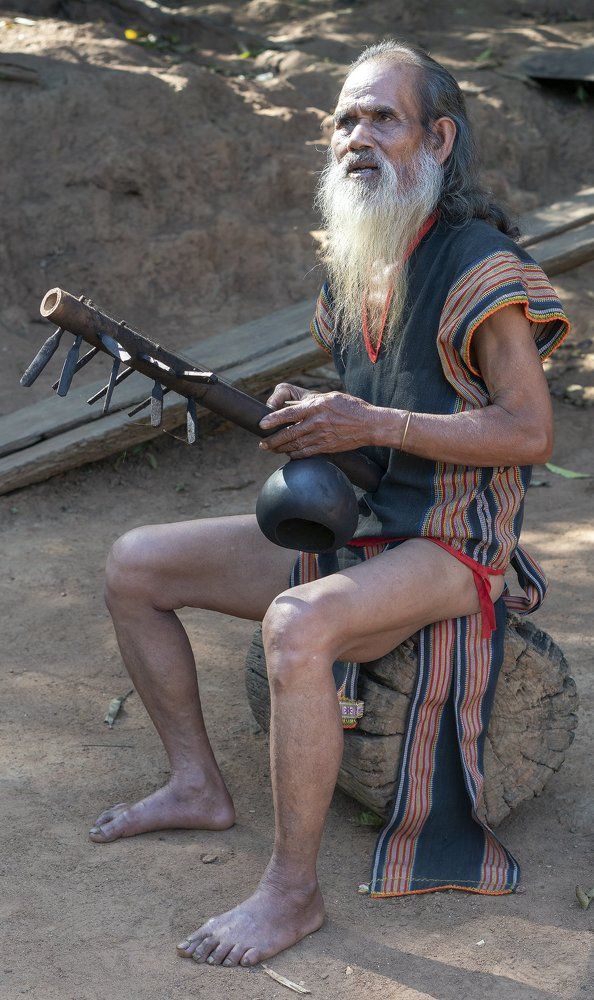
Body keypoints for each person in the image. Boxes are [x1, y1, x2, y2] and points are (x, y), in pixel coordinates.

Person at [88, 39, 569, 968]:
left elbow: (527, 432)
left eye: (381, 117)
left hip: (451, 540)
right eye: (344, 118)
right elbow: (362, 415)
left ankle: (292, 892)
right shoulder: (356, 267)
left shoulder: (482, 267)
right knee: (133, 563)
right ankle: (196, 785)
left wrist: (366, 420)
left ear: (438, 138)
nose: (356, 136)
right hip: (371, 521)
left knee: (297, 627)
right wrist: (311, 423)